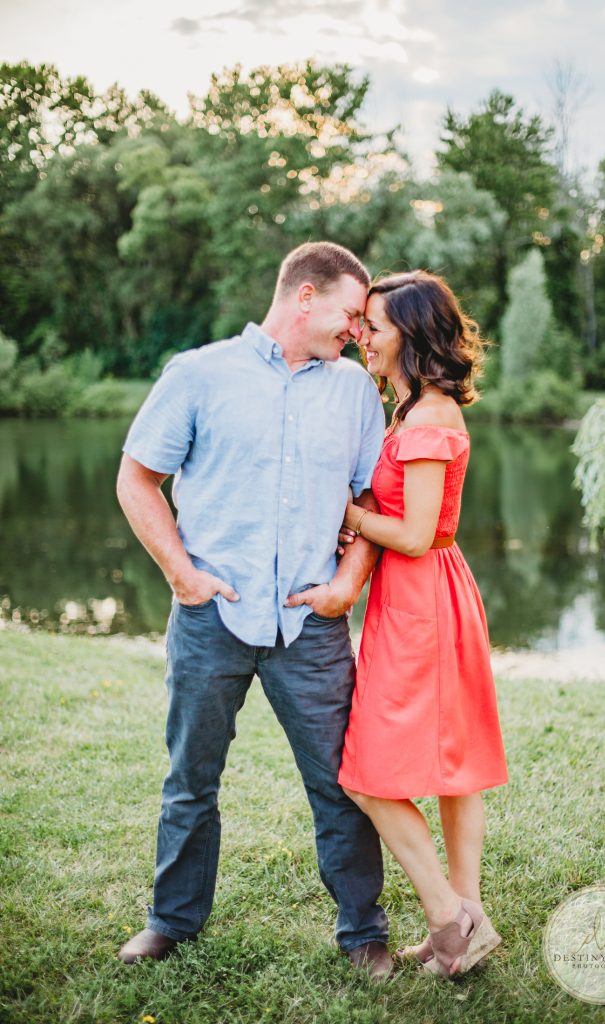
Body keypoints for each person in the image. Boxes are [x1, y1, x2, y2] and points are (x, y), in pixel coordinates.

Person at [115, 241, 393, 979]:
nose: (357, 333)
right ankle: (171, 922)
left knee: (341, 784)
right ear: (304, 297)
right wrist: (181, 575)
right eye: (349, 315)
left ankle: (364, 931)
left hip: (312, 623)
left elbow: (371, 500)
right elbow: (138, 478)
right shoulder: (199, 375)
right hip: (214, 616)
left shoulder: (355, 391)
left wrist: (347, 586)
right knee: (189, 780)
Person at [335, 271, 508, 979]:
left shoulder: (430, 418)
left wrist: (342, 511)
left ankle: (451, 917)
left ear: (410, 331)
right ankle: (469, 921)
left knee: (367, 775)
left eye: (372, 326)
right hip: (418, 597)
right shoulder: (410, 411)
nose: (361, 338)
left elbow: (412, 533)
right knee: (452, 769)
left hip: (423, 602)